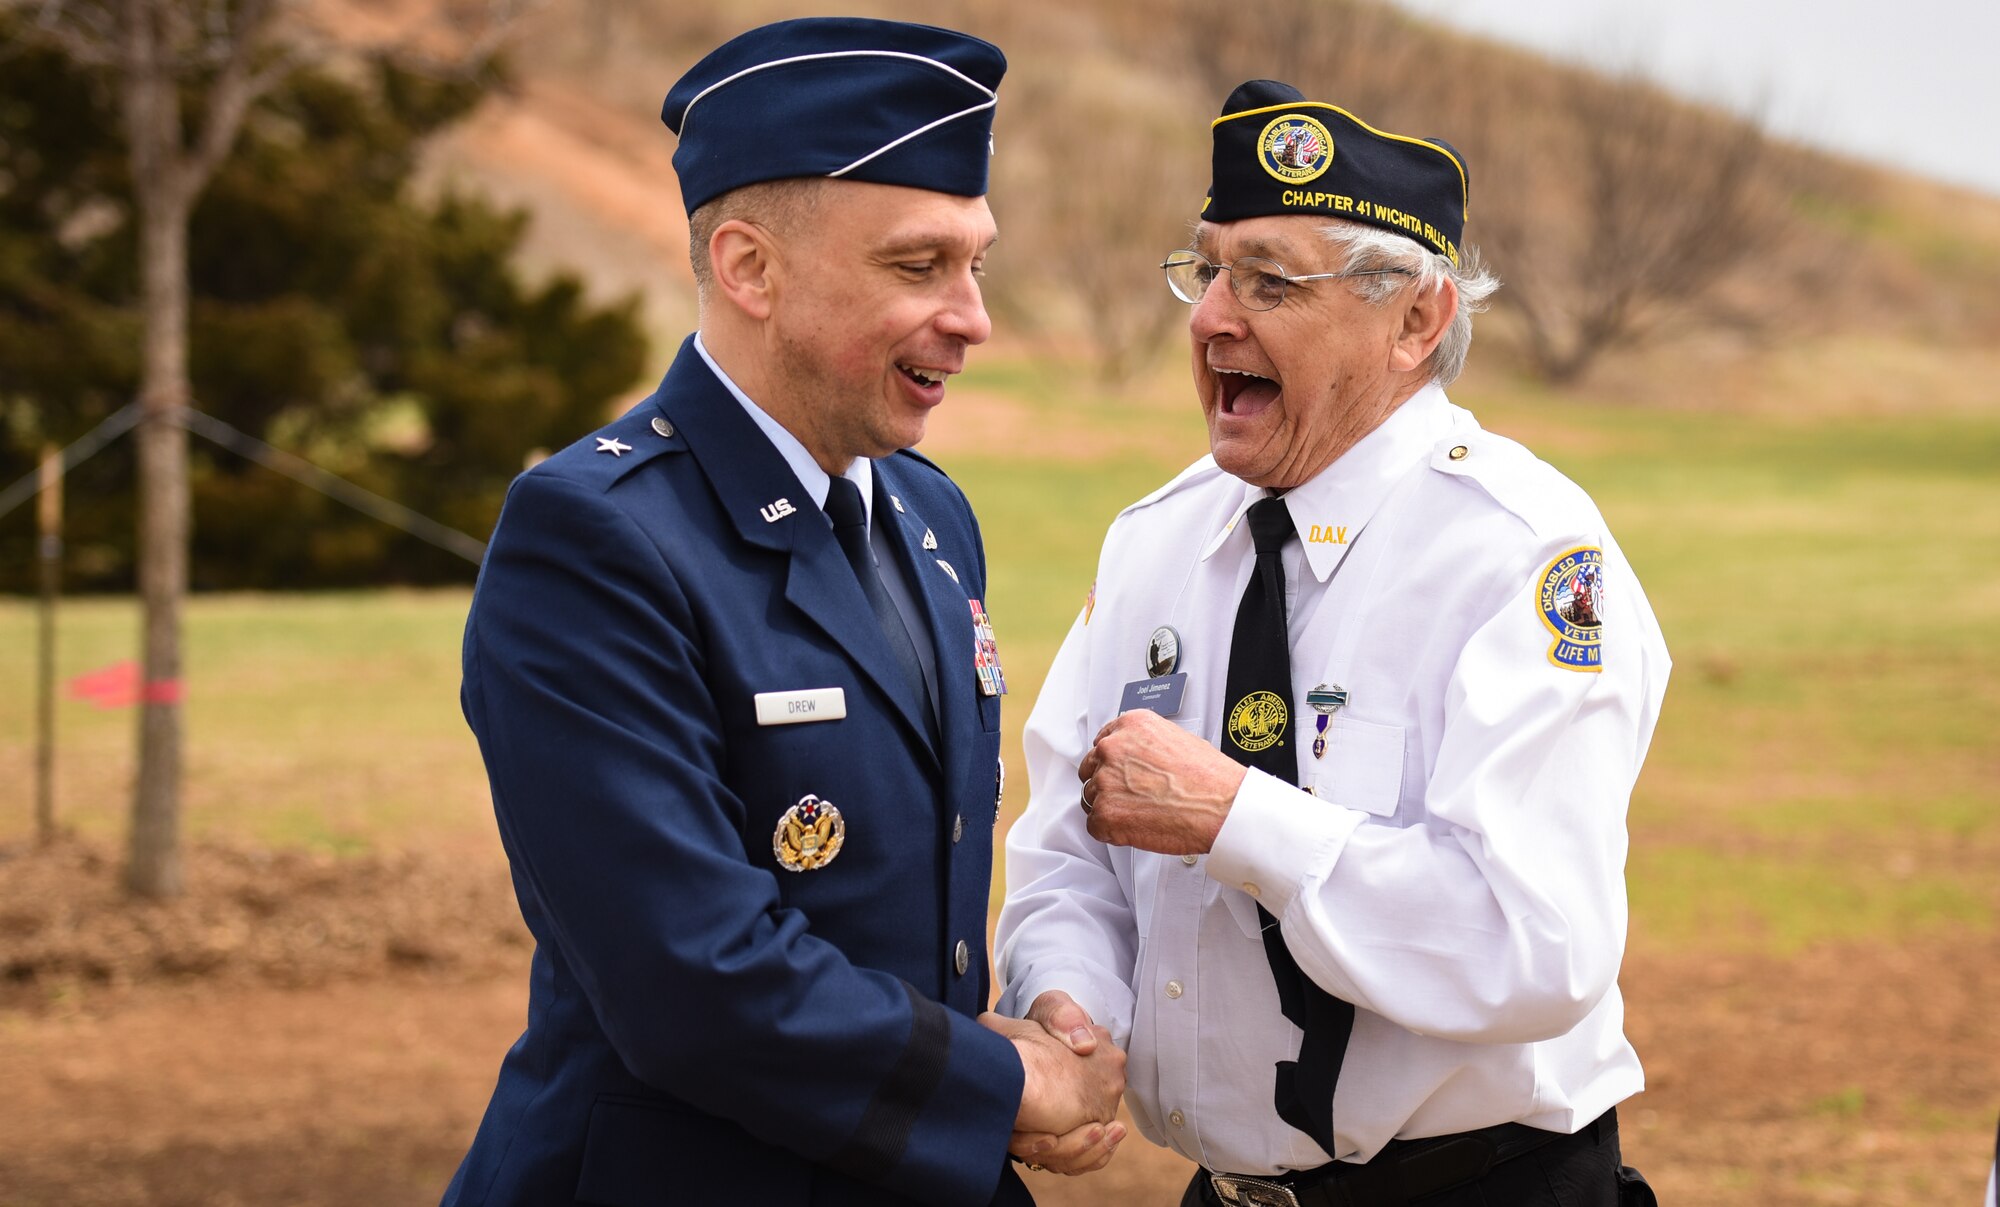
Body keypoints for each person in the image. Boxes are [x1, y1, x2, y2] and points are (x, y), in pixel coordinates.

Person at [441, 19, 1124, 1207]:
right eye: (918, 268)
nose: (973, 318)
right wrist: (1000, 1087)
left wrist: (1030, 1024)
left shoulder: (923, 511)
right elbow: (691, 982)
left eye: (976, 265)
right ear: (751, 268)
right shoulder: (594, 538)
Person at [995, 79, 1671, 1206]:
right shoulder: (1157, 542)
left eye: (1268, 282)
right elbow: (1069, 850)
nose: (1211, 317)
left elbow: (1533, 946)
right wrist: (1071, 1011)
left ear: (1417, 319)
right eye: (1203, 270)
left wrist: (1236, 819)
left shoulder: (1521, 555)